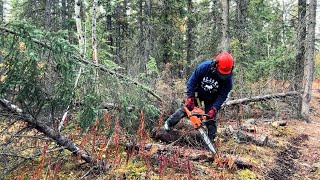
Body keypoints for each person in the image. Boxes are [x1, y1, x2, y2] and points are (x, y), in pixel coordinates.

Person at [163, 52, 234, 141]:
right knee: (186, 109)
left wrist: (214, 108)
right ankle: (168, 123)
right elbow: (192, 82)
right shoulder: (204, 67)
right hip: (198, 94)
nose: (223, 76)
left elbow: (223, 95)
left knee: (211, 119)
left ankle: (211, 141)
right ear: (215, 65)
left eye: (225, 74)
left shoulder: (228, 80)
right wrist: (190, 97)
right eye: (221, 73)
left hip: (212, 98)